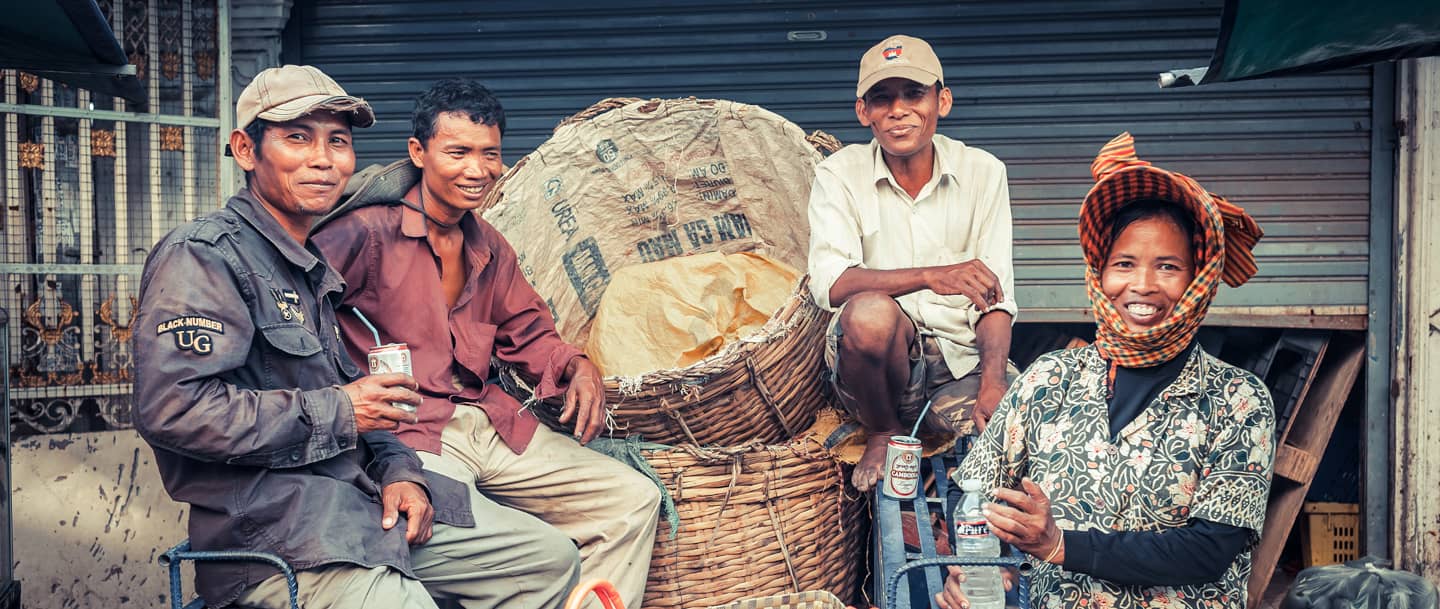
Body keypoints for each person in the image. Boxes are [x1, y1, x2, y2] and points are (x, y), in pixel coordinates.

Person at [311, 78, 662, 609]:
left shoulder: (490, 246)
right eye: (458, 152)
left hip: (487, 420)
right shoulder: (364, 233)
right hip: (408, 434)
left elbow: (530, 331)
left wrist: (578, 365)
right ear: (418, 153)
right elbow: (296, 318)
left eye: (489, 154)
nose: (478, 170)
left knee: (632, 500)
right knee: (477, 539)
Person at [135, 65, 463, 608]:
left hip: (356, 507)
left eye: (338, 140)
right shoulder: (204, 255)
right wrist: (339, 410)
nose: (323, 159)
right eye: (297, 137)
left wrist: (402, 472)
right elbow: (174, 409)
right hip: (274, 534)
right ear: (245, 149)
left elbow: (359, 401)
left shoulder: (308, 269)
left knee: (544, 559)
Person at [938, 132, 1275, 609]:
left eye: (1167, 266)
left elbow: (1209, 550)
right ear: (1099, 270)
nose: (1142, 285)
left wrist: (1060, 546)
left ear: (1199, 276)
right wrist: (980, 567)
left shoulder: (1238, 400)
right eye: (1124, 263)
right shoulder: (1046, 381)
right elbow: (981, 495)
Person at [807, 34, 1019, 491]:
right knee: (867, 312)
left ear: (942, 101)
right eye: (881, 99)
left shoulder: (984, 172)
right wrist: (931, 276)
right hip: (872, 374)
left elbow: (997, 302)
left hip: (958, 364)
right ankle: (884, 430)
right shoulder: (838, 174)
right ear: (863, 112)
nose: (898, 110)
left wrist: (994, 381)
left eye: (913, 94)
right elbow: (829, 283)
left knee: (1019, 434)